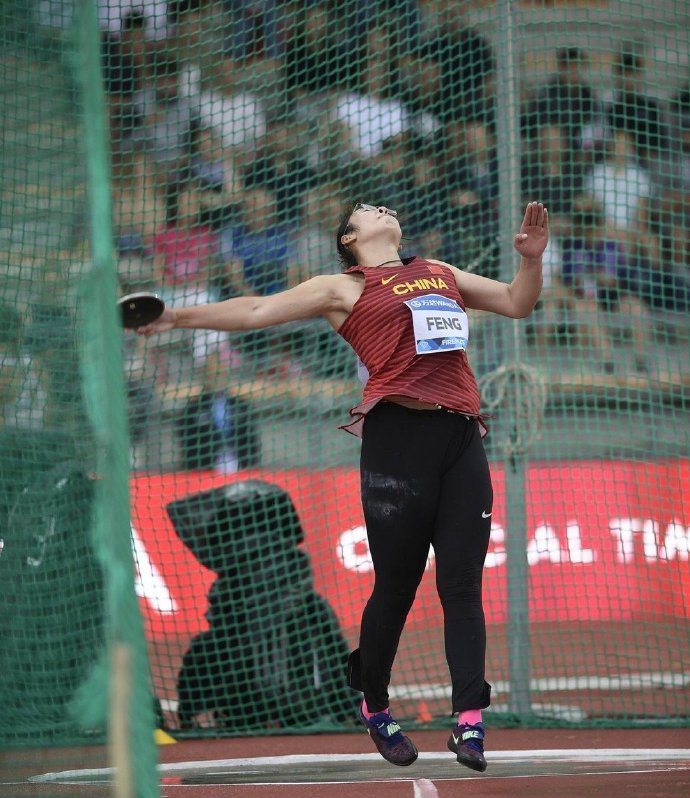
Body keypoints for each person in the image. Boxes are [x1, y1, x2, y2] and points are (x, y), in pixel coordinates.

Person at [138, 199, 549, 771]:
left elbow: (515, 301)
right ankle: (375, 705)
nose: (383, 207)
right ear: (352, 237)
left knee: (462, 586)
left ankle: (469, 723)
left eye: (385, 205)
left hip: (461, 439)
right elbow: (257, 309)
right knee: (397, 587)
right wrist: (175, 318)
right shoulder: (342, 287)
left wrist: (531, 261)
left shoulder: (440, 271)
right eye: (367, 209)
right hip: (396, 441)